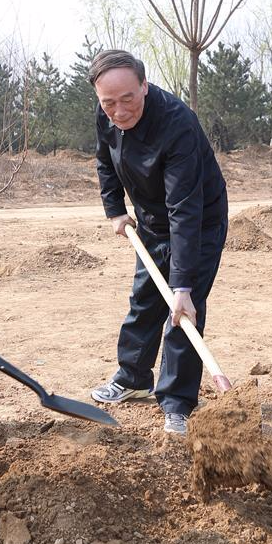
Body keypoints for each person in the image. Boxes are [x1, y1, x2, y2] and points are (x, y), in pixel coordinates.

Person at [88, 50, 228, 436]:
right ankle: (133, 376)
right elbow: (104, 159)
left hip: (198, 221)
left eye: (127, 98)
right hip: (149, 218)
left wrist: (182, 285)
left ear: (145, 86)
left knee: (182, 311)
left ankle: (177, 402)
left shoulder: (177, 124)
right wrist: (115, 208)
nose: (118, 110)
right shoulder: (107, 112)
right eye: (108, 102)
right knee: (145, 298)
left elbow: (185, 208)